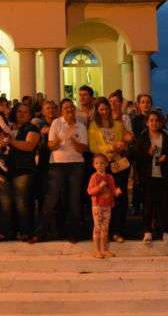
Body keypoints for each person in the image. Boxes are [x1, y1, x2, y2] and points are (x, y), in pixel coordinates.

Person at [37, 100, 88, 242]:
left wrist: (73, 139)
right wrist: (61, 137)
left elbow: (83, 149)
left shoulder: (81, 126)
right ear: (61, 110)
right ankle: (41, 232)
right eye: (66, 107)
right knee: (51, 199)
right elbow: (51, 146)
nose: (69, 109)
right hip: (57, 164)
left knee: (74, 199)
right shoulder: (56, 123)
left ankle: (74, 233)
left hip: (76, 165)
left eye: (72, 107)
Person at [88, 98, 129, 242]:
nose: (104, 112)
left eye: (106, 109)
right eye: (101, 110)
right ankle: (104, 231)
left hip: (117, 164)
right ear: (97, 111)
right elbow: (93, 146)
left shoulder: (118, 124)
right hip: (103, 167)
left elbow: (123, 141)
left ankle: (118, 231)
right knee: (104, 197)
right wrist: (109, 149)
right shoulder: (93, 125)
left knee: (119, 195)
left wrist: (120, 145)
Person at [0, 103, 40, 242]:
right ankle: (10, 231)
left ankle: (26, 232)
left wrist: (11, 141)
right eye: (19, 111)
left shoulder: (32, 128)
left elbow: (29, 146)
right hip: (10, 169)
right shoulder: (12, 128)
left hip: (24, 169)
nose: (21, 114)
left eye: (25, 112)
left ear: (30, 114)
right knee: (9, 203)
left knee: (23, 203)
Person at [134, 111, 168, 246]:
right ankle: (147, 232)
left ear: (160, 123)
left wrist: (166, 158)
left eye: (156, 120)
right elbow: (137, 158)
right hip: (148, 176)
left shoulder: (167, 137)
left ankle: (166, 232)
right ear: (147, 123)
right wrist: (148, 153)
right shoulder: (142, 138)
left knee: (164, 204)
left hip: (163, 176)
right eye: (151, 120)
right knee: (148, 205)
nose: (154, 123)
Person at [87, 153, 120, 259]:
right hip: (97, 206)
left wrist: (116, 192)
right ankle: (96, 250)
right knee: (97, 227)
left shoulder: (110, 177)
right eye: (97, 163)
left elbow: (112, 189)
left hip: (107, 206)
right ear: (93, 165)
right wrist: (99, 187)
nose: (99, 165)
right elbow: (90, 191)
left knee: (105, 228)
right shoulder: (94, 177)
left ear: (106, 164)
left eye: (102, 163)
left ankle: (104, 249)